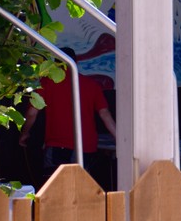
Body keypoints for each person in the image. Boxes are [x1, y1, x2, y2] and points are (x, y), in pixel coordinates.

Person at [18, 47, 117, 190]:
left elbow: (32, 113)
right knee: (81, 188)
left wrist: (24, 133)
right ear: (76, 62)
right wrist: (118, 139)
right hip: (86, 146)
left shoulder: (47, 83)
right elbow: (105, 114)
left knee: (55, 189)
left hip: (58, 145)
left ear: (55, 64)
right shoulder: (91, 85)